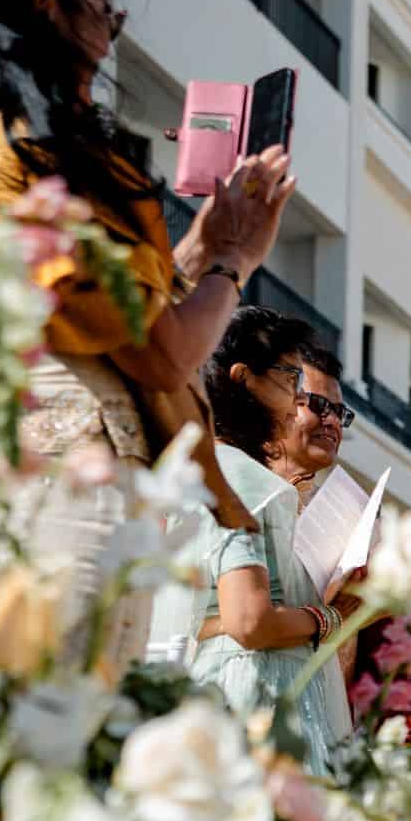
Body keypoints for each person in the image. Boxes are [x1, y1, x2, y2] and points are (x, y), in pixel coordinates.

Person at [0, 0, 293, 667]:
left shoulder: (7, 144)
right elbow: (162, 352)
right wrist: (235, 259)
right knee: (49, 729)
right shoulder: (17, 152)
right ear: (49, 6)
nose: (110, 34)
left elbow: (110, 317)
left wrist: (201, 252)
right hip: (67, 478)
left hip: (87, 477)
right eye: (107, 9)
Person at [153, 307, 360, 772]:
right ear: (244, 378)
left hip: (212, 684)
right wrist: (332, 615)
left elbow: (205, 615)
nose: (296, 399)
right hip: (259, 697)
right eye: (290, 379)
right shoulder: (244, 479)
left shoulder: (198, 468)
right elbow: (250, 620)